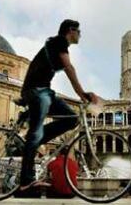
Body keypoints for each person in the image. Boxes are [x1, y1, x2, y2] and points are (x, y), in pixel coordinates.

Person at [19, 19, 98, 194]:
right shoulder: (59, 41)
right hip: (36, 91)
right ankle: (26, 180)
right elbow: (69, 68)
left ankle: (33, 142)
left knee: (71, 118)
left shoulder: (57, 45)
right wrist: (82, 94)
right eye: (79, 31)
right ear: (71, 30)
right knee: (36, 134)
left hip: (42, 91)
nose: (80, 35)